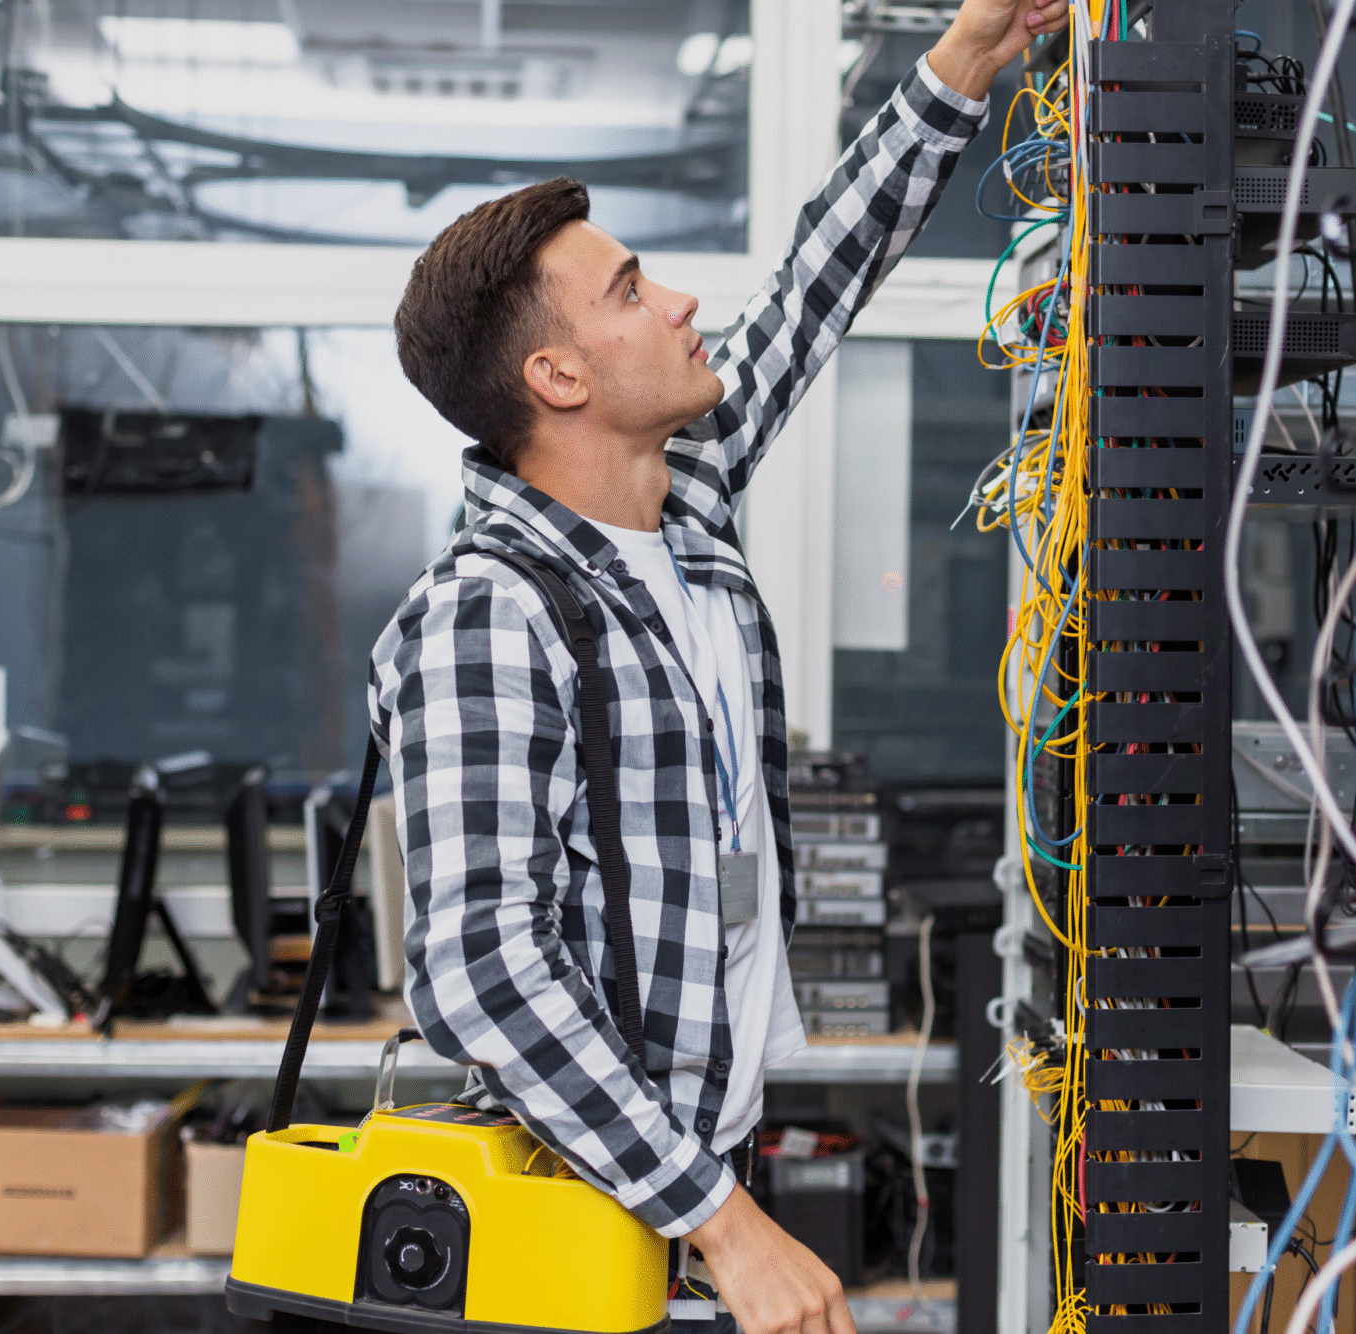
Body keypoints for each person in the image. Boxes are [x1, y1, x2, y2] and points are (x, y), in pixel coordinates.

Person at [370, 3, 1068, 1330]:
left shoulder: (677, 508)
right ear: (560, 374)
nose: (681, 298)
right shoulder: (489, 615)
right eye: (632, 287)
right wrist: (729, 1226)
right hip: (584, 1215)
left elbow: (818, 278)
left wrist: (966, 59)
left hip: (679, 1178)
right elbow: (478, 966)